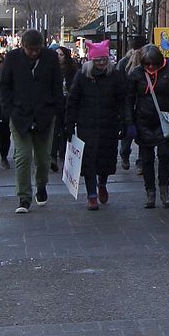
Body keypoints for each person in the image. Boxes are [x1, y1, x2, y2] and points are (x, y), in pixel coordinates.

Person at [0, 29, 64, 214]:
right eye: (30, 50)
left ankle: (41, 185)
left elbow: (57, 86)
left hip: (44, 115)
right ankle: (24, 197)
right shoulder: (12, 59)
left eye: (37, 49)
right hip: (20, 115)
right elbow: (5, 85)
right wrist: (8, 110)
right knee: (23, 156)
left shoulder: (50, 58)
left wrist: (57, 112)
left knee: (44, 159)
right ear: (23, 47)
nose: (34, 53)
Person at [64, 40, 127, 210]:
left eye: (103, 60)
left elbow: (123, 100)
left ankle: (102, 183)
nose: (100, 63)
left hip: (109, 123)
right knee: (89, 160)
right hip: (87, 124)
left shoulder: (115, 75)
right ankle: (91, 194)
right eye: (97, 60)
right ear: (91, 61)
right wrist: (69, 124)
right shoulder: (82, 76)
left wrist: (125, 122)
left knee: (105, 159)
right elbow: (73, 101)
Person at [127, 44, 169, 209]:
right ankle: (150, 191)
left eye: (154, 63)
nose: (151, 67)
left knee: (164, 155)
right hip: (143, 120)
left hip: (165, 119)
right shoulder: (137, 75)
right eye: (147, 64)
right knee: (147, 159)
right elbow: (129, 100)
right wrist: (129, 123)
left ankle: (164, 189)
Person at [117, 42, 146, 172]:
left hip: (140, 102)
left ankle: (138, 160)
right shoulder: (125, 63)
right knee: (128, 132)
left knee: (140, 133)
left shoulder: (146, 61)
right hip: (129, 102)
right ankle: (126, 155)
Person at [51, 45, 78, 172]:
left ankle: (63, 156)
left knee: (65, 131)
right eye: (56, 55)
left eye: (61, 55)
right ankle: (53, 157)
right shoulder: (51, 70)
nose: (58, 58)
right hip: (55, 104)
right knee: (54, 130)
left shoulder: (73, 71)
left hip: (68, 104)